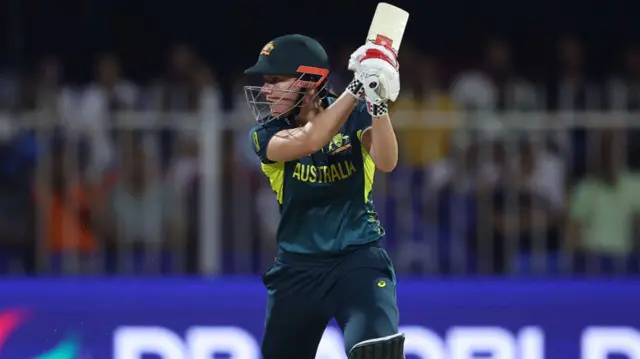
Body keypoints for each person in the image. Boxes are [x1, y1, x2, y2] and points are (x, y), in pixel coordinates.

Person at [245, 34, 403, 359]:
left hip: (357, 260)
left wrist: (377, 103)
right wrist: (358, 87)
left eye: (276, 80)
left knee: (377, 353)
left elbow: (387, 161)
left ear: (308, 81)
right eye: (266, 81)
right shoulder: (265, 135)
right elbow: (312, 139)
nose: (265, 89)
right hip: (297, 270)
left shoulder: (357, 115)